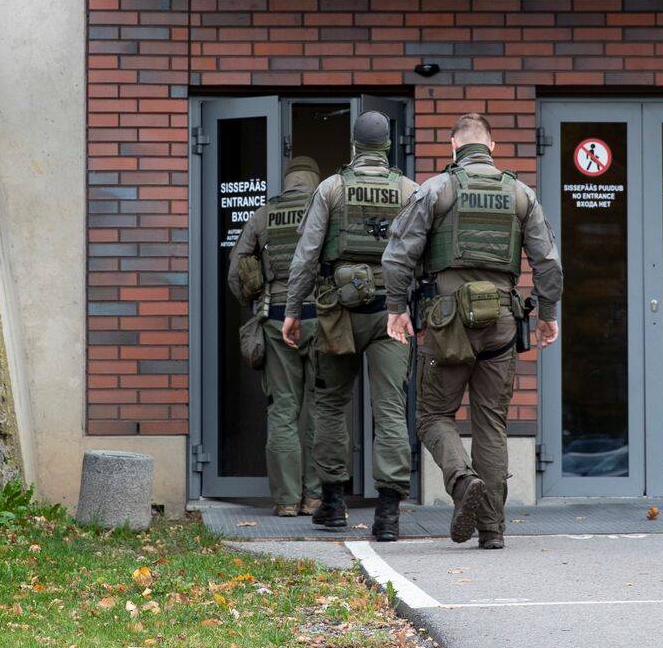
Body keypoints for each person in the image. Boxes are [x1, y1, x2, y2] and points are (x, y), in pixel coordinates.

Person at [383, 112, 562, 550]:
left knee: (433, 416)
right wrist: (548, 314)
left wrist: (396, 308)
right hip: (502, 320)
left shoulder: (435, 189)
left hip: (448, 323)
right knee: (491, 423)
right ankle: (493, 529)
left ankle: (463, 483)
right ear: (492, 147)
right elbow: (548, 263)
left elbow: (398, 255)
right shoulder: (521, 194)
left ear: (453, 146)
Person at [283, 111, 418, 540]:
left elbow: (306, 256)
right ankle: (389, 514)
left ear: (354, 146)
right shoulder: (410, 191)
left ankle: (333, 504)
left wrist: (292, 310)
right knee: (390, 407)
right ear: (388, 145)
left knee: (330, 405)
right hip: (391, 314)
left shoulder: (331, 188)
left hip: (337, 314)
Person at [225, 157, 324, 517]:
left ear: (288, 181)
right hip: (321, 316)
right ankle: (316, 498)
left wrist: (253, 300)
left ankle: (286, 500)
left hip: (277, 315)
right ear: (315, 180)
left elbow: (236, 272)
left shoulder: (264, 214)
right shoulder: (325, 207)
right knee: (321, 408)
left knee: (283, 409)